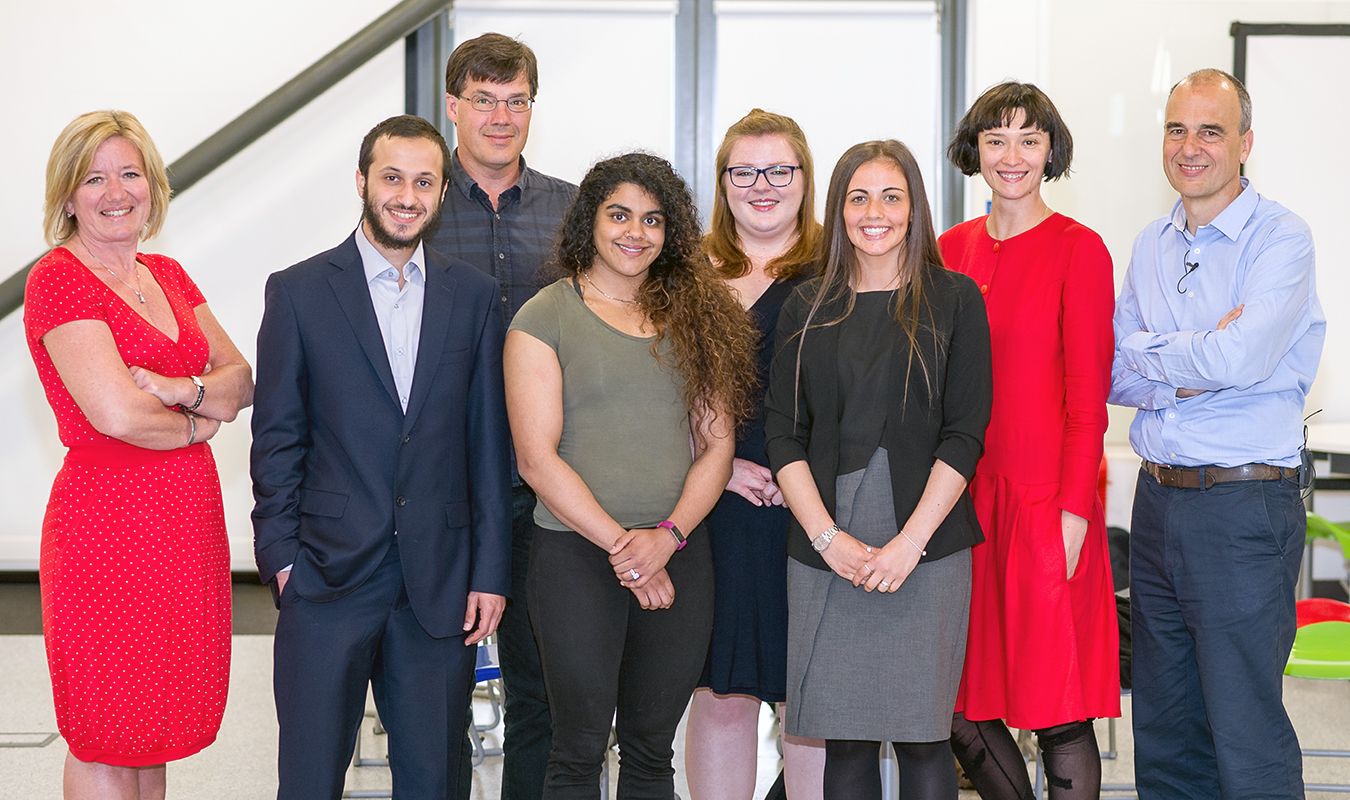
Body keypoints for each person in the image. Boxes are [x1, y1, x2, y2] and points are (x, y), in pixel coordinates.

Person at [250, 114, 511, 799]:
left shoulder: (475, 297)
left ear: (442, 192)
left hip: (440, 585)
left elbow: (487, 444)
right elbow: (278, 437)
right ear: (362, 181)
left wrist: (490, 569)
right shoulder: (299, 291)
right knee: (309, 780)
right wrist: (281, 559)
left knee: (435, 782)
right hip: (326, 580)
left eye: (425, 181)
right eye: (392, 177)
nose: (407, 195)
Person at [504, 152, 757, 799]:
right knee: (578, 747)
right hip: (574, 556)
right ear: (591, 219)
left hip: (678, 553)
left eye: (652, 219)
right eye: (619, 214)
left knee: (651, 750)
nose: (635, 232)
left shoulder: (700, 318)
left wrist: (664, 539)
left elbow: (716, 449)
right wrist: (627, 549)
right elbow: (537, 458)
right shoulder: (543, 317)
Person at [24, 109, 254, 799]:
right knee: (104, 736)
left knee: (151, 731)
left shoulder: (169, 274)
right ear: (68, 196)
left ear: (151, 185)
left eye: (129, 173)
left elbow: (239, 379)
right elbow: (116, 412)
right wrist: (195, 419)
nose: (115, 191)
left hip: (182, 526)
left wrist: (187, 389)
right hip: (108, 528)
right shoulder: (58, 279)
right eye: (94, 178)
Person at [1109, 68, 1323, 799]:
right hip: (1158, 504)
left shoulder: (1281, 239)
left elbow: (1243, 356)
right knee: (1166, 735)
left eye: (1210, 129)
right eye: (1176, 128)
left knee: (1244, 733)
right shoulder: (1151, 243)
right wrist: (1196, 351)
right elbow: (1113, 373)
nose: (1190, 146)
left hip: (1241, 511)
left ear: (1245, 144)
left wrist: (1158, 348)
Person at [764, 140, 992, 800]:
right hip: (826, 550)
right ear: (837, 211)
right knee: (847, 741)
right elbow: (784, 434)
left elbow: (964, 435)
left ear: (914, 209)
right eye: (858, 197)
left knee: (924, 742)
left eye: (892, 196)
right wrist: (827, 540)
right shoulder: (805, 306)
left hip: (928, 547)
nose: (875, 212)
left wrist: (908, 546)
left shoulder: (955, 300)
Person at [939, 82, 1119, 799]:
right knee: (958, 708)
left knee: (1057, 712)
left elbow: (1088, 398)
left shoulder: (1081, 250)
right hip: (961, 504)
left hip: (1047, 505)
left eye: (1028, 139)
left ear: (1051, 152)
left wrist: (1075, 511)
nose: (1011, 155)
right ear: (974, 150)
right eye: (995, 139)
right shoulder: (949, 249)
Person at [428, 32, 578, 800]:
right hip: (443, 486)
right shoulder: (415, 204)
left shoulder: (571, 211)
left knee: (539, 685)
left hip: (545, 483)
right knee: (435, 691)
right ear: (452, 106)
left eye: (515, 100)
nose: (500, 116)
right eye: (483, 99)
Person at [683, 108, 825, 800]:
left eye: (778, 170)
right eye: (744, 170)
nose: (761, 185)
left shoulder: (840, 265)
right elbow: (653, 383)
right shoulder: (684, 271)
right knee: (721, 689)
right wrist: (715, 464)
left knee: (811, 698)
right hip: (717, 508)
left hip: (817, 512)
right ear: (723, 182)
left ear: (805, 178)